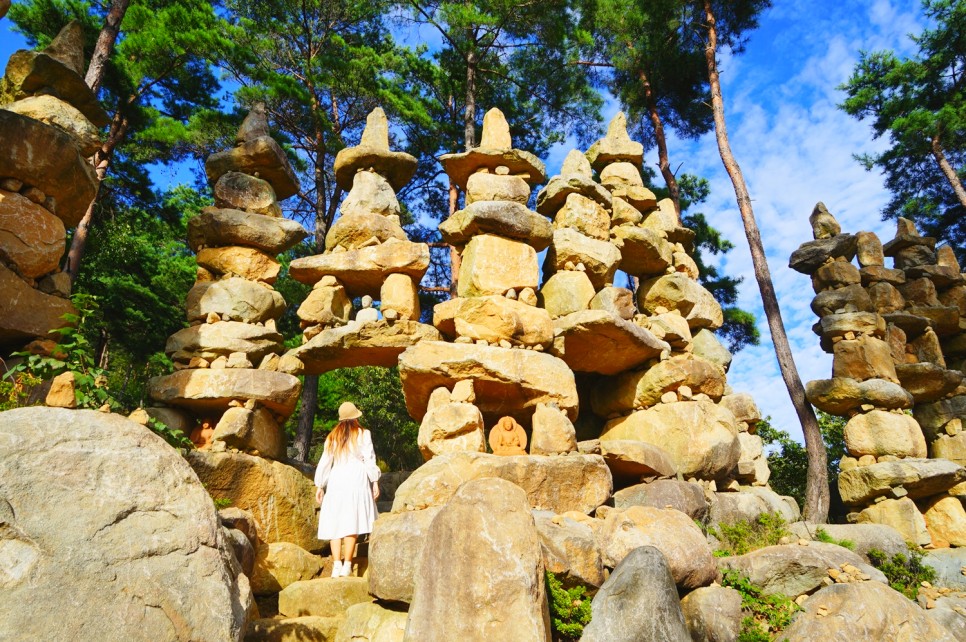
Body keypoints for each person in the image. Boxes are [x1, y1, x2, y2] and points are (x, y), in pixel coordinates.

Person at [314, 401, 381, 577]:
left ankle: (336, 565)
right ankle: (347, 565)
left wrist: (320, 485)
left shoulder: (332, 437)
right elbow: (369, 459)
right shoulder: (363, 434)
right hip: (355, 479)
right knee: (351, 521)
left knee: (335, 522)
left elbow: (325, 462)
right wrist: (375, 481)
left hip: (337, 479)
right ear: (355, 418)